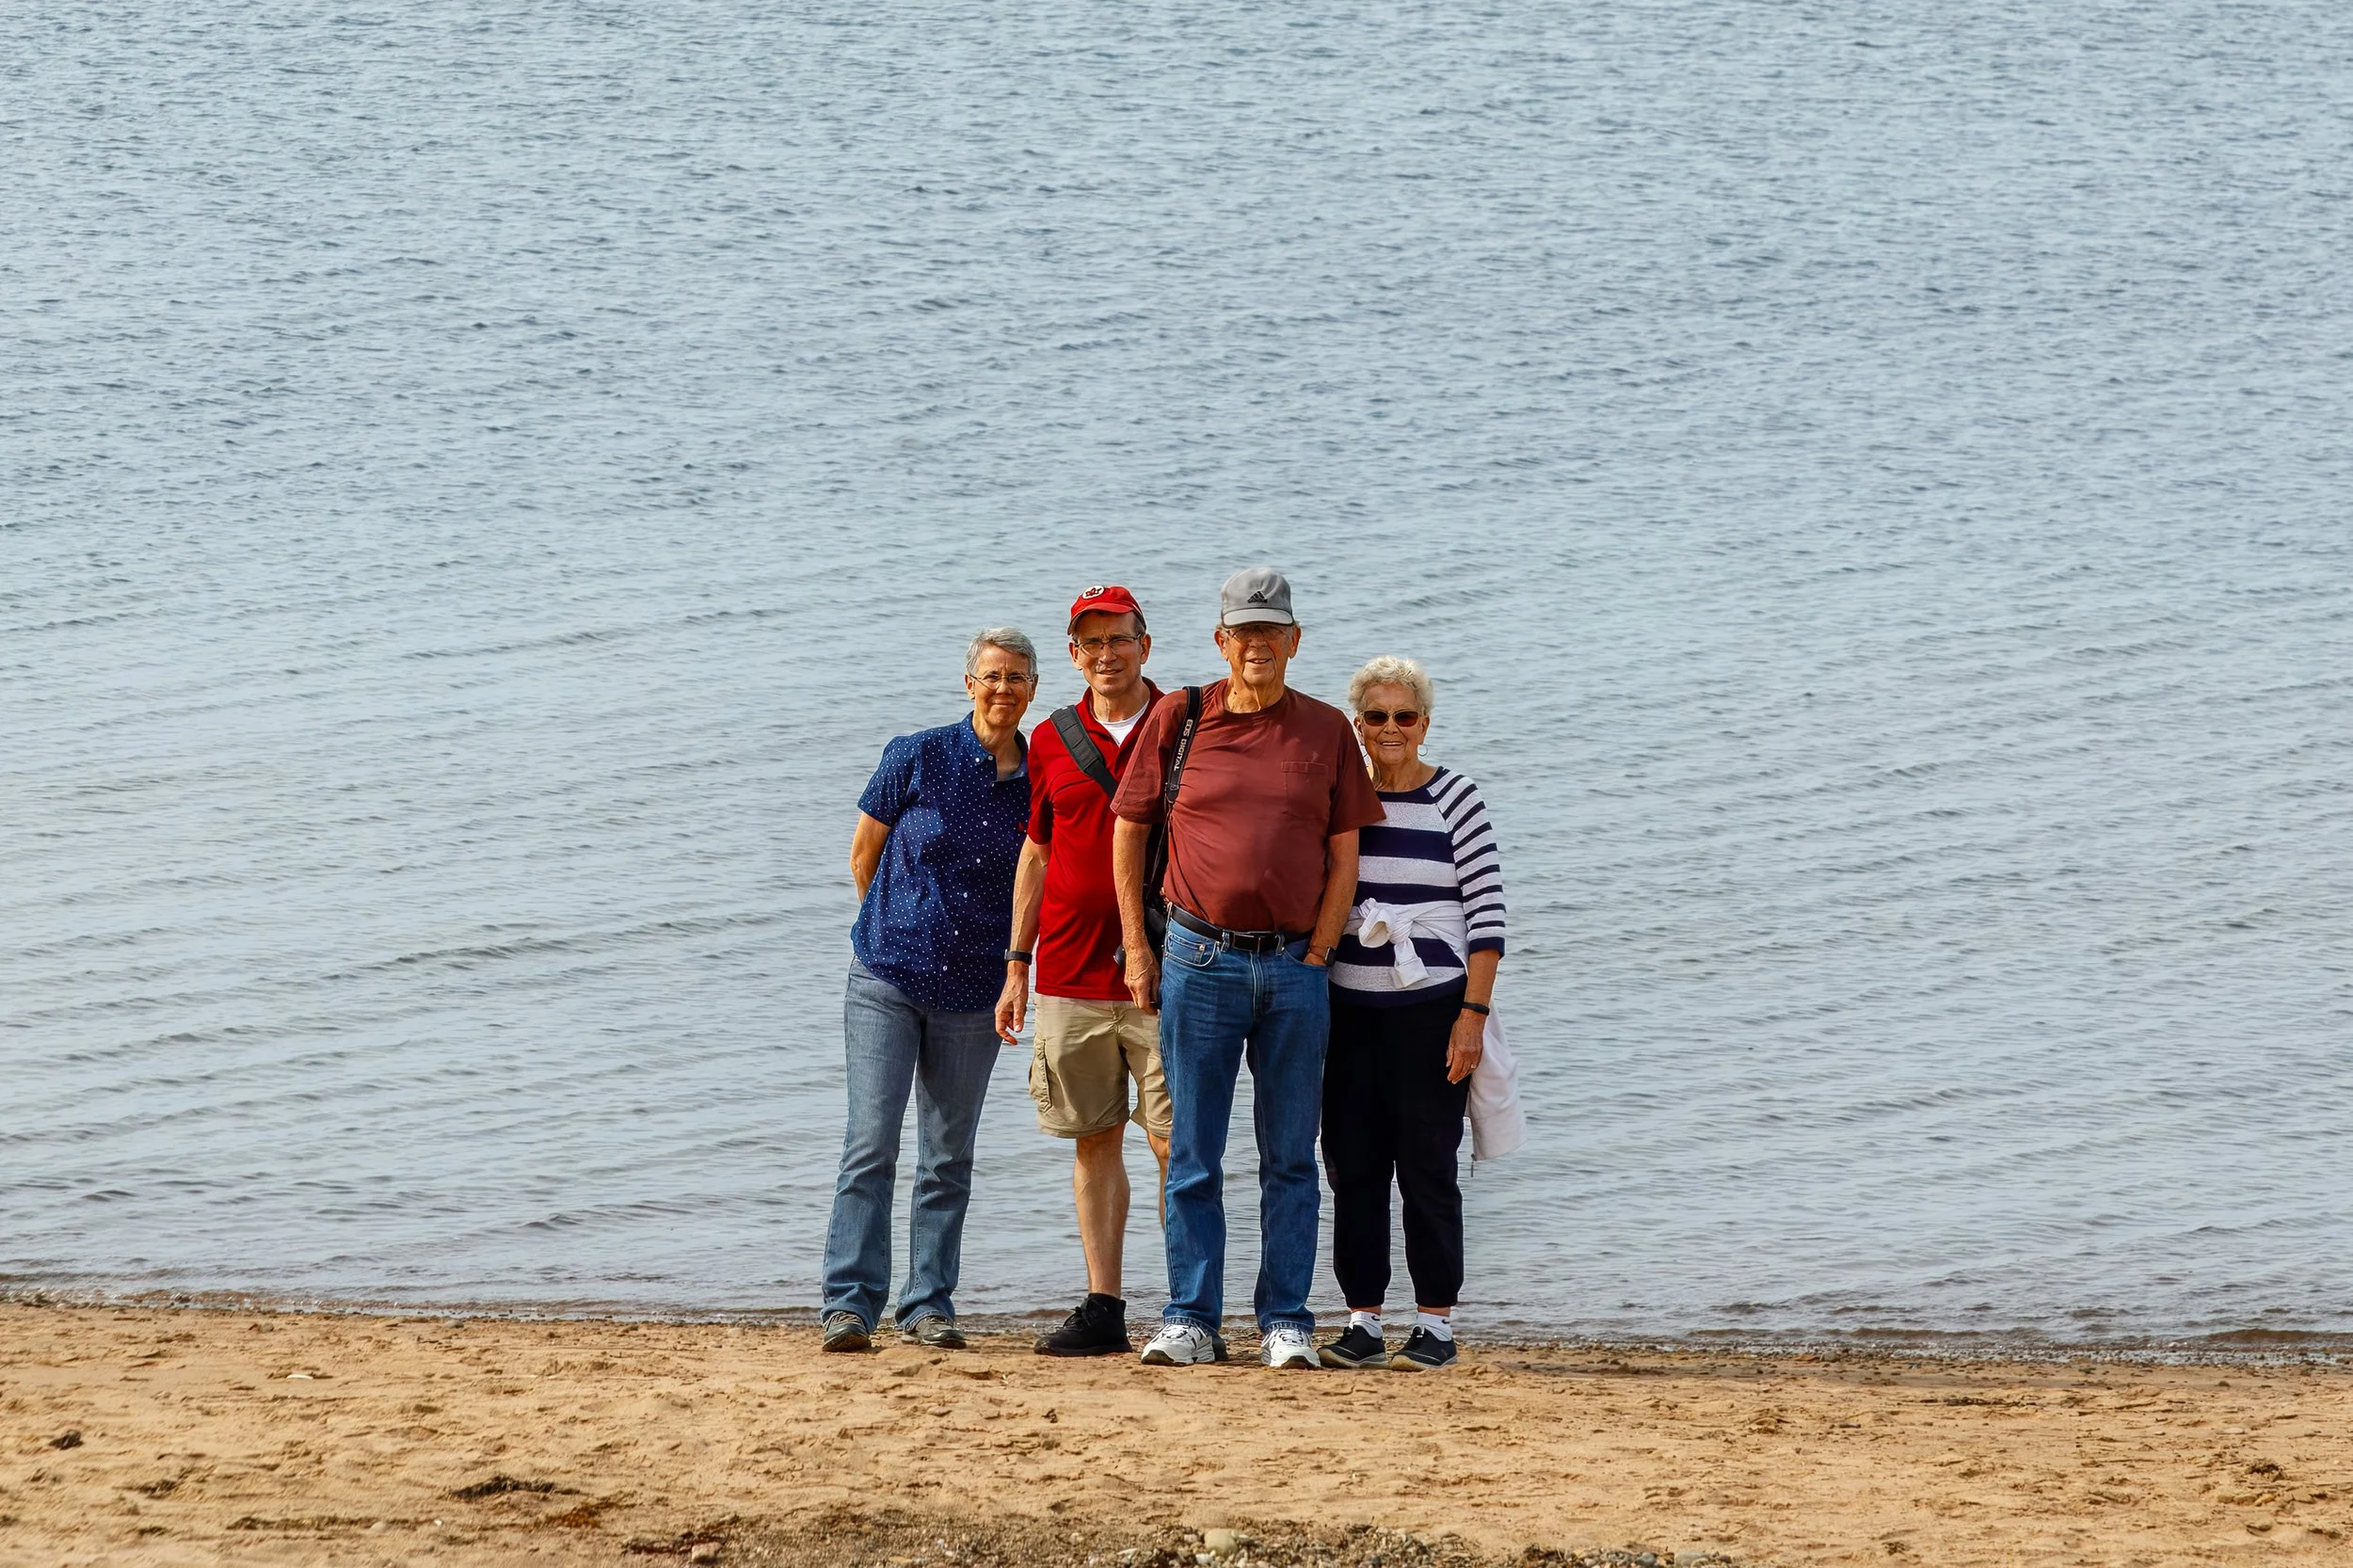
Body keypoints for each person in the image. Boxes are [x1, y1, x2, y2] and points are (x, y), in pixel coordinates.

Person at [1110, 568, 1385, 1369]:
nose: (1258, 645)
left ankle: (1285, 1322)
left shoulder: (1328, 730)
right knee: (1191, 1150)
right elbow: (1128, 833)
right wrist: (1137, 948)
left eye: (1273, 632)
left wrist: (1323, 949)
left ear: (1295, 641)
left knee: (1292, 1156)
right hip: (1198, 959)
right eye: (1244, 632)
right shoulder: (1180, 717)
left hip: (1297, 968)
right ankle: (1192, 1317)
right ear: (1221, 640)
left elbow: (1346, 856)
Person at [819, 629, 1038, 1353]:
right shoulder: (913, 754)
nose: (1002, 689)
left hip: (976, 992)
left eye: (1015, 678)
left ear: (1033, 690)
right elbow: (864, 854)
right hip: (886, 976)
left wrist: (1015, 968)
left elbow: (1036, 884)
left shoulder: (1041, 781)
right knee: (870, 1144)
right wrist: (898, 926)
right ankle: (848, 1305)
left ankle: (927, 1305)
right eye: (991, 676)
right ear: (969, 683)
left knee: (948, 1157)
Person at [995, 585, 1174, 1356]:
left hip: (1167, 970)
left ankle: (1191, 1305)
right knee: (1093, 1139)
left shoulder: (1186, 725)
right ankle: (1104, 1307)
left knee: (1177, 1144)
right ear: (1073, 654)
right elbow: (1036, 850)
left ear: (1145, 644)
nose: (1107, 655)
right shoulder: (1049, 739)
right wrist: (1015, 963)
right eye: (1090, 642)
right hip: (1067, 972)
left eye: (1119, 639)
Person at [1317, 656, 1506, 1371]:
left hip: (1431, 1012)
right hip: (1346, 1014)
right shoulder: (1339, 798)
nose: (1390, 728)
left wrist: (1473, 1017)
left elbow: (1486, 919)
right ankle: (1362, 1321)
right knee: (1352, 1170)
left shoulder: (1456, 797)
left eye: (1404, 716)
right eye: (1375, 716)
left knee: (1429, 1170)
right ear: (1358, 726)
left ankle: (1436, 1325)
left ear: (1424, 723)